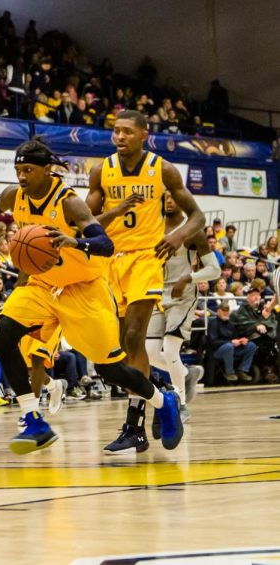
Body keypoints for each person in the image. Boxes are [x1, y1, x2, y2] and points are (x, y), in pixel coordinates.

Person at [0, 138, 182, 455]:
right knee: (3, 334)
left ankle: (161, 399)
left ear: (47, 170)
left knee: (110, 369)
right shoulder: (14, 195)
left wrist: (74, 243)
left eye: (28, 170)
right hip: (42, 285)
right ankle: (33, 418)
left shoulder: (69, 202)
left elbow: (106, 245)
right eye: (18, 170)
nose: (22, 176)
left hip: (84, 288)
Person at [86, 110, 204, 454]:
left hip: (145, 259)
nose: (119, 137)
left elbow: (197, 215)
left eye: (126, 132)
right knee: (120, 349)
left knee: (135, 337)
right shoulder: (101, 171)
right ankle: (160, 398)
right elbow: (87, 220)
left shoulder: (162, 169)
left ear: (143, 135)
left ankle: (133, 426)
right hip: (110, 261)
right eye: (115, 132)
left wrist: (178, 236)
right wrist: (117, 211)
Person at [145, 192, 219, 427]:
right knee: (150, 353)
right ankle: (187, 374)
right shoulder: (153, 230)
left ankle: (182, 404)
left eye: (172, 197)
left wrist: (188, 278)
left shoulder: (192, 231)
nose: (168, 201)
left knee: (169, 351)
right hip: (159, 295)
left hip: (184, 295)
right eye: (164, 197)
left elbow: (214, 270)